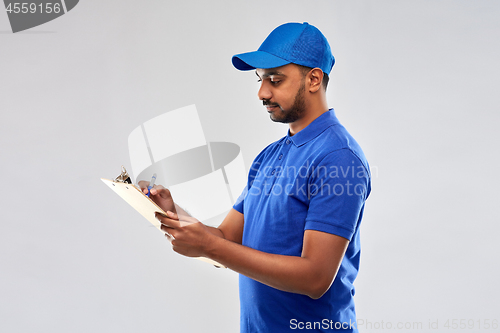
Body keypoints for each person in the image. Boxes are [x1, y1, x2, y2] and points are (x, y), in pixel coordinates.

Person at [140, 22, 371, 333]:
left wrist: (209, 246)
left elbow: (315, 278)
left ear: (314, 79)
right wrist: (172, 212)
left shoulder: (338, 157)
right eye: (261, 79)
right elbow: (226, 240)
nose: (262, 92)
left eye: (275, 80)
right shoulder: (269, 156)